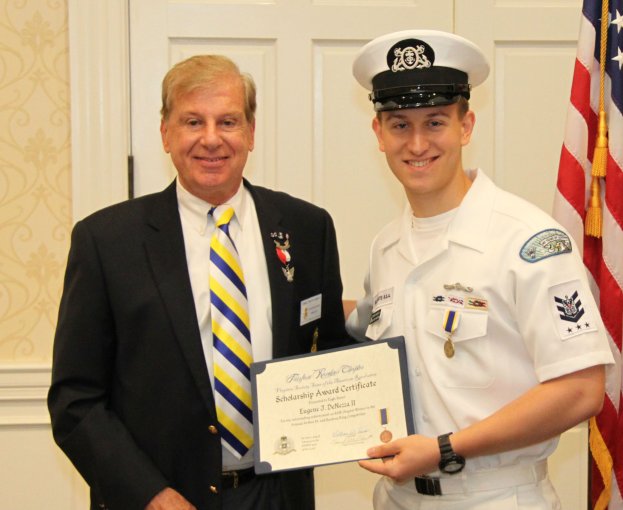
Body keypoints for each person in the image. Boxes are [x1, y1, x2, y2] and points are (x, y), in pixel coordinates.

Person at [48, 55, 349, 510]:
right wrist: (147, 494)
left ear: (250, 132)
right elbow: (75, 399)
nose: (211, 139)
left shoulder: (308, 229)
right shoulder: (106, 241)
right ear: (166, 133)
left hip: (277, 496)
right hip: (162, 500)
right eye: (193, 121)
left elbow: (326, 352)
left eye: (227, 121)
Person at [346, 29, 616, 509]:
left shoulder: (529, 241)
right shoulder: (385, 247)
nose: (417, 143)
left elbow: (580, 390)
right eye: (399, 125)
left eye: (435, 122)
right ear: (378, 134)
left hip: (497, 496)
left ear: (466, 126)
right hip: (397, 498)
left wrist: (445, 448)